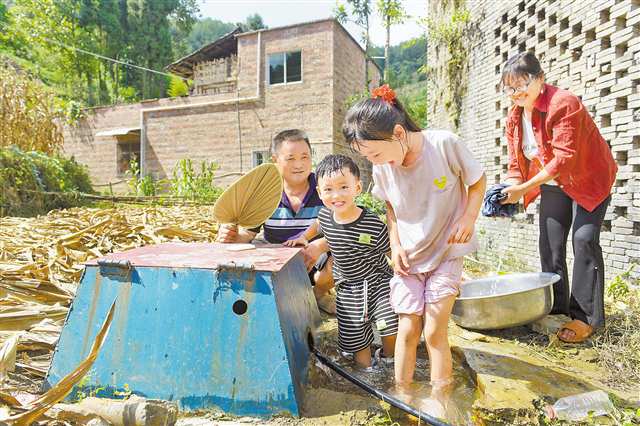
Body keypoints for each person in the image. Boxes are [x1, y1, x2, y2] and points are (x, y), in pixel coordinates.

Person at [343, 84, 486, 404]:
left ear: (398, 133)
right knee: (407, 330)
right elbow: (391, 208)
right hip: (408, 258)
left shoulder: (445, 145)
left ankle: (440, 400)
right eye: (367, 157)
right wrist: (394, 246)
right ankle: (402, 397)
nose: (375, 162)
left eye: (375, 153)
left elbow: (477, 181)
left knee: (434, 331)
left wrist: (468, 218)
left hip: (447, 252)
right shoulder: (383, 169)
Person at [499, 52, 617, 343]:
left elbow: (564, 159)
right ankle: (555, 307)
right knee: (550, 242)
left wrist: (525, 188)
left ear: (540, 78)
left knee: (584, 239)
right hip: (554, 184)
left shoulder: (563, 103)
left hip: (589, 179)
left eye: (521, 84)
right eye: (509, 88)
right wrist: (511, 187)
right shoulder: (514, 117)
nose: (516, 93)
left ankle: (586, 317)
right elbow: (517, 162)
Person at [285, 154, 398, 369]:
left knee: (388, 325)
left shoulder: (371, 223)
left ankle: (389, 359)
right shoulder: (326, 216)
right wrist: (304, 238)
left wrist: (410, 273)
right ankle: (365, 371)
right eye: (328, 189)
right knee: (356, 337)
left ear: (357, 187)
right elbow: (318, 225)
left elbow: (392, 251)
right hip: (347, 288)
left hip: (379, 283)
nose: (336, 195)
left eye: (343, 187)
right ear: (319, 192)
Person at [216, 129, 336, 313]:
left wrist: (319, 245)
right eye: (290, 158)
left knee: (343, 255)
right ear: (275, 160)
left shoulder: (325, 189)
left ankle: (318, 293)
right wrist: (231, 236)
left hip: (311, 262)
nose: (299, 164)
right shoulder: (264, 193)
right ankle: (265, 297)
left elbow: (346, 229)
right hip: (274, 264)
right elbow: (247, 235)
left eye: (305, 157)